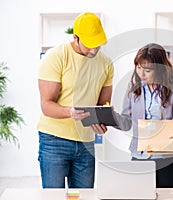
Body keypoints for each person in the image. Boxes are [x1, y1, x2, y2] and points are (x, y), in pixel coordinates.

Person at [37, 12, 114, 188]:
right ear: (75, 37)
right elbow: (46, 105)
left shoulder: (106, 63)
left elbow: (102, 104)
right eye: (89, 45)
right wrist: (70, 113)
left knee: (83, 197)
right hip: (54, 140)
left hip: (86, 142)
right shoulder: (56, 56)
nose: (94, 50)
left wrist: (101, 120)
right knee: (54, 197)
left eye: (98, 45)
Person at [113, 43, 173, 188]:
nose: (141, 74)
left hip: (169, 158)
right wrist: (110, 117)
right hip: (140, 157)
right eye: (138, 68)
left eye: (147, 70)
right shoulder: (133, 88)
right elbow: (126, 122)